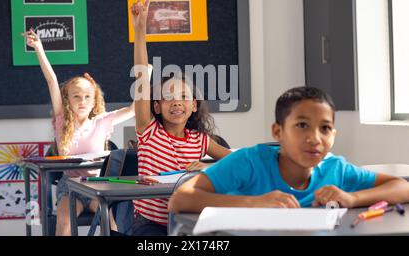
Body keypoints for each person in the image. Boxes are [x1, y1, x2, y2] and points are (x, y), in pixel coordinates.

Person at [169, 86, 409, 213]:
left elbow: (402, 187)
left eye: (325, 128)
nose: (314, 138)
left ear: (334, 135)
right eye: (302, 125)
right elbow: (180, 200)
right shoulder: (248, 162)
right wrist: (254, 203)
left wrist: (352, 197)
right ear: (278, 132)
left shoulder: (336, 169)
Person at [130, 0, 232, 235]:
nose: (177, 102)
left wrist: (207, 169)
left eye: (184, 97)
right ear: (156, 107)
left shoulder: (200, 140)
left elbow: (235, 161)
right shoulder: (149, 131)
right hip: (151, 225)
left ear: (194, 105)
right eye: (168, 97)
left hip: (189, 222)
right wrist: (140, 30)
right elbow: (142, 76)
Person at [22, 29, 137, 236]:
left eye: (87, 96)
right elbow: (51, 80)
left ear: (94, 101)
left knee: (110, 225)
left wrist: (144, 77)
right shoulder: (62, 120)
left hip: (97, 185)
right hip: (71, 187)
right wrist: (39, 48)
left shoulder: (102, 121)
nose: (82, 101)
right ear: (68, 101)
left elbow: (133, 109)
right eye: (76, 96)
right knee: (64, 224)